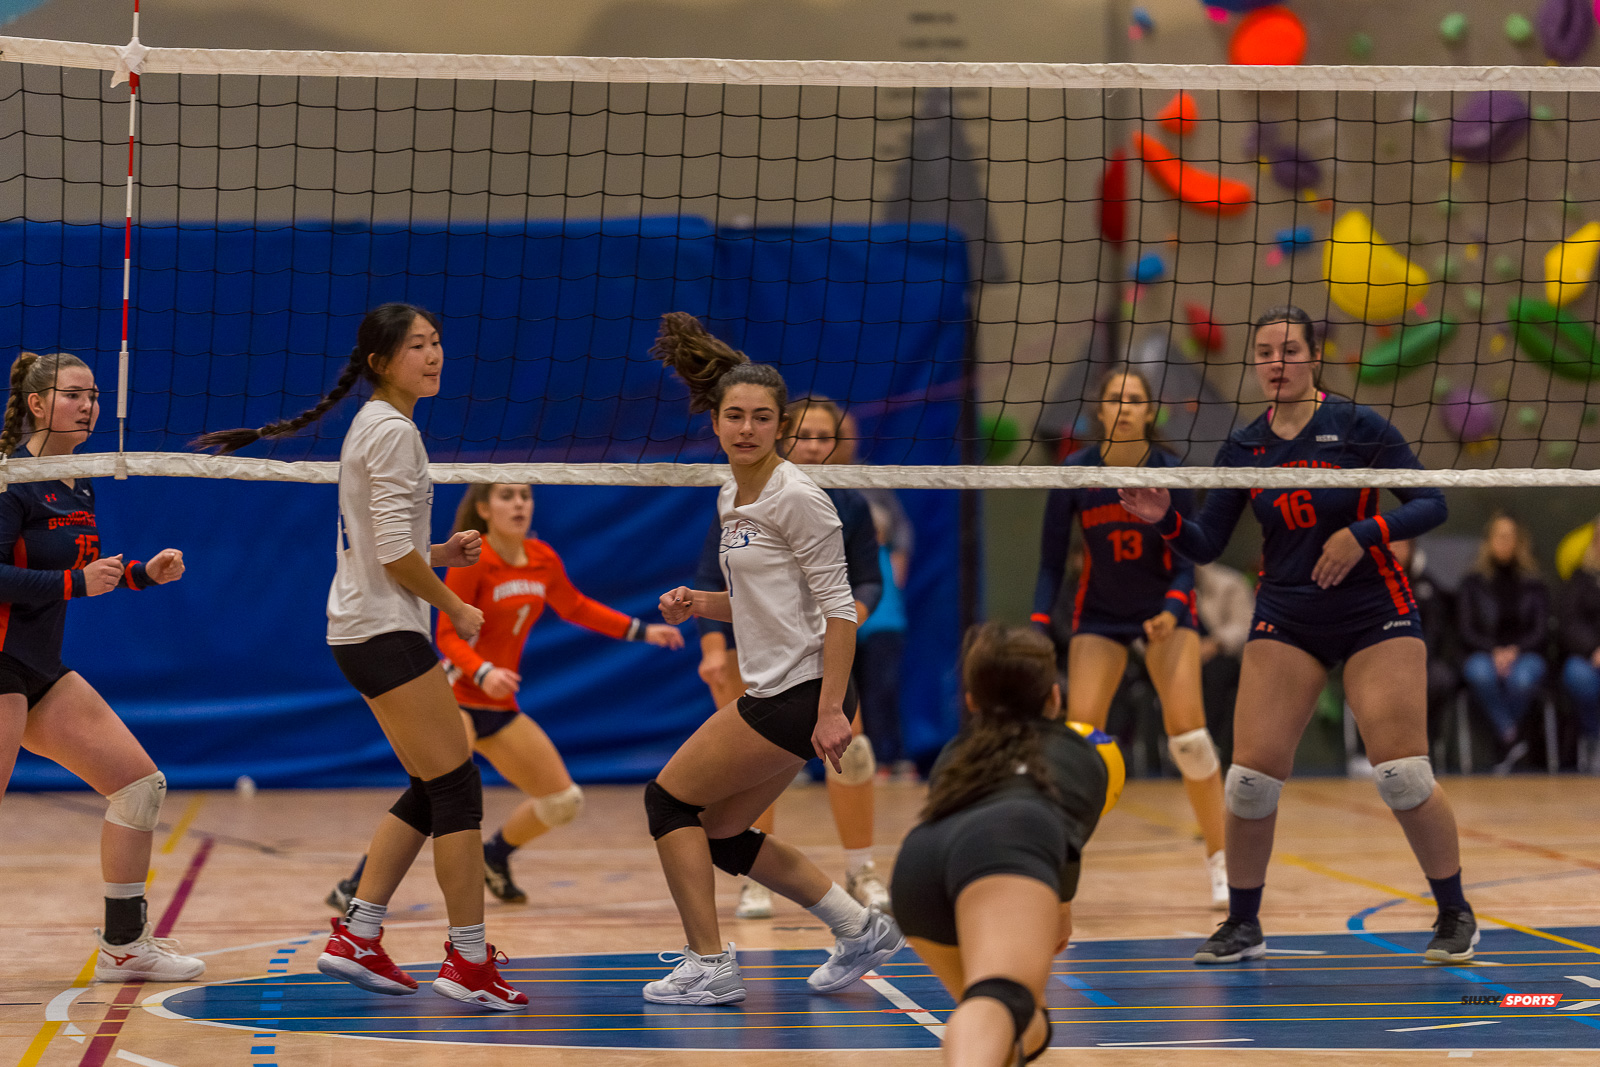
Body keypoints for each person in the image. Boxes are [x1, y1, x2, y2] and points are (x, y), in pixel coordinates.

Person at [1119, 305, 1477, 966]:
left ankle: (1454, 909)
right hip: (1287, 611)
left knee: (1401, 773)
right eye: (1263, 352)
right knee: (1249, 782)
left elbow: (1432, 502)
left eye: (1288, 350)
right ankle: (1245, 922)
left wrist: (1363, 533)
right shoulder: (1243, 446)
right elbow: (1205, 542)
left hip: (1373, 608)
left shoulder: (1357, 426)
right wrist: (1166, 519)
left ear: (1315, 356)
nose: (1276, 363)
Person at [194, 303, 527, 1011]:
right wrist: (455, 601)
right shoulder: (393, 432)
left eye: (437, 341)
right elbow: (392, 555)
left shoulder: (376, 427)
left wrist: (441, 555)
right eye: (416, 346)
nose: (433, 355)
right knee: (459, 788)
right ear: (379, 361)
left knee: (432, 785)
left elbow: (388, 549)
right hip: (383, 628)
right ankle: (468, 958)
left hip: (365, 624)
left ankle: (359, 933)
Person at [643, 311, 904, 1005]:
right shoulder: (732, 492)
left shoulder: (801, 499)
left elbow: (841, 610)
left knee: (667, 800)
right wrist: (700, 604)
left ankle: (710, 963)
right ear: (717, 422)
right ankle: (860, 929)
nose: (747, 428)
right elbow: (763, 602)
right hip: (781, 686)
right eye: (736, 415)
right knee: (725, 832)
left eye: (762, 417)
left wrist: (829, 710)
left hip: (803, 692)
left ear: (781, 425)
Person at [327, 482, 685, 910]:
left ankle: (494, 857)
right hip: (456, 697)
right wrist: (483, 671)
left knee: (562, 801)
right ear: (484, 508)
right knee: (435, 795)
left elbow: (575, 607)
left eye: (525, 496)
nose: (518, 504)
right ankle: (356, 886)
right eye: (506, 496)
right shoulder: (474, 561)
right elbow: (447, 635)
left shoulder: (542, 559)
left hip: (498, 707)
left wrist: (643, 630)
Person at [0, 351, 202, 983]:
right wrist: (74, 585)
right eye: (74, 395)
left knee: (139, 786)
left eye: (93, 396)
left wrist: (140, 574)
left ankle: (124, 944)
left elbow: (78, 569)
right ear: (37, 404)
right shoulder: (10, 477)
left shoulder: (78, 478)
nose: (88, 405)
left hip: (39, 667)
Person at [1032, 365, 1227, 909]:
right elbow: (1051, 562)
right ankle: (1059, 863)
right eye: (1114, 398)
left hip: (1164, 612)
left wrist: (1171, 608)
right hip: (1100, 614)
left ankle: (1221, 862)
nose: (1123, 407)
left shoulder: (1171, 470)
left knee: (1188, 738)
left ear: (1148, 412)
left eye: (1134, 399)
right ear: (1100, 410)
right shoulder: (1075, 472)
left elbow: (1190, 559)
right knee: (1079, 743)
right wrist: (1041, 623)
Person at [889, 623, 1124, 1066]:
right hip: (1007, 844)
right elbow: (1066, 842)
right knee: (1000, 1000)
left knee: (1022, 1023)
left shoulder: (954, 753)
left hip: (915, 871)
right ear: (1054, 697)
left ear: (971, 701)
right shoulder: (1087, 754)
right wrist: (1060, 906)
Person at [694, 395, 887, 921]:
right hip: (755, 647)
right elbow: (716, 579)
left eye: (825, 437)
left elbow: (869, 579)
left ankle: (861, 867)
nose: (814, 446)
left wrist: (846, 622)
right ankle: (754, 880)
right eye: (804, 436)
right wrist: (713, 652)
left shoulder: (849, 502)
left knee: (854, 753)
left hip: (822, 650)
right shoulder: (741, 494)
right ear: (784, 436)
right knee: (748, 766)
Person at [1456, 512, 1549, 773]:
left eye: (1510, 537)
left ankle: (1506, 741)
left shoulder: (1534, 583)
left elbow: (1540, 630)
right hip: (1483, 652)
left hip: (1525, 652)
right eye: (1500, 536)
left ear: (1519, 542)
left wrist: (1514, 651)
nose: (1505, 542)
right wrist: (1493, 651)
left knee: (1522, 679)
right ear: (1488, 541)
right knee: (1480, 673)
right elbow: (1466, 629)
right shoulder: (1472, 582)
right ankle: (1511, 735)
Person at [1389, 540, 1460, 757]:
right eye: (1391, 545)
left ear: (1412, 549)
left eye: (1401, 545)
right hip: (1383, 662)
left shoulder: (1427, 586)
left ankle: (1426, 741)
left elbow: (1435, 631)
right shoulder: (1369, 585)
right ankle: (1380, 748)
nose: (1395, 550)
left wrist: (1416, 660)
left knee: (1440, 678)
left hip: (1422, 660)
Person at [1194, 561, 1254, 771]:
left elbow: (1245, 625)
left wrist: (1215, 643)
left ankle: (1209, 745)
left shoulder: (1230, 582)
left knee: (1217, 672)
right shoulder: (1161, 583)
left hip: (1220, 656)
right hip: (1175, 660)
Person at [1559, 518, 1600, 773]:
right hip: (1588, 657)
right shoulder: (1581, 578)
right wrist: (1593, 650)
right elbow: (1569, 622)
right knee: (1578, 676)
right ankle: (1594, 738)